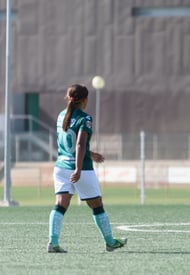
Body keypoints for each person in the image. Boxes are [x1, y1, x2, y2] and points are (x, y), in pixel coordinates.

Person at [47, 84, 127, 253]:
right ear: (84, 100)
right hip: (81, 168)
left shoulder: (61, 116)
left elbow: (68, 144)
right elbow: (79, 143)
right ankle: (110, 242)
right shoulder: (85, 118)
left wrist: (90, 154)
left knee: (61, 204)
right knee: (97, 205)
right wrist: (78, 168)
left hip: (60, 166)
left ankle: (53, 243)